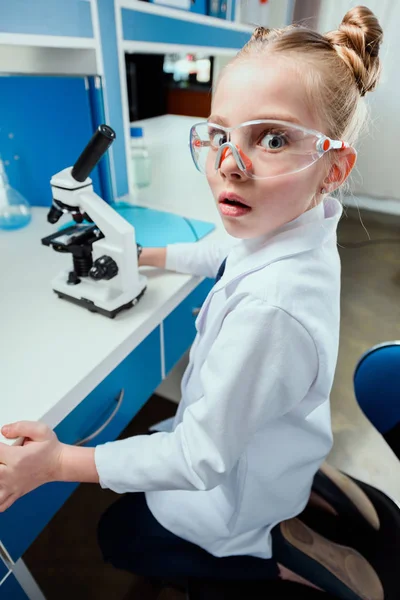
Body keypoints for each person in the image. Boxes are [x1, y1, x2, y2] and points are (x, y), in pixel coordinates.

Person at [0, 6, 385, 599]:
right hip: (272, 441)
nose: (229, 164)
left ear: (334, 167)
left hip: (223, 508)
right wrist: (143, 256)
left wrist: (56, 464)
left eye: (273, 138)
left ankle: (267, 563)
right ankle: (299, 487)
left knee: (118, 535)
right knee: (214, 442)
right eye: (221, 134)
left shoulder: (270, 311)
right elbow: (217, 252)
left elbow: (198, 458)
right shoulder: (298, 225)